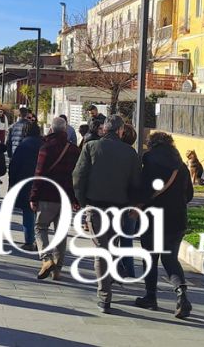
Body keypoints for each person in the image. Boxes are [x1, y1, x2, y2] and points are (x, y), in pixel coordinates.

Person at [73, 112, 142, 312]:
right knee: (111, 248)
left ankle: (104, 296)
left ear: (104, 129)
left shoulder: (90, 147)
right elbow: (136, 183)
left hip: (95, 207)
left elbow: (78, 177)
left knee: (101, 251)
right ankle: (108, 283)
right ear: (120, 131)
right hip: (118, 209)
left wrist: (83, 201)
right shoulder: (130, 154)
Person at [134, 131, 193, 318]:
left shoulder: (149, 159)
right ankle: (181, 293)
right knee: (170, 258)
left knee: (150, 257)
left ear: (152, 144)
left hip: (153, 217)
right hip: (177, 218)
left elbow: (144, 187)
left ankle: (150, 297)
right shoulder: (181, 165)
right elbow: (189, 194)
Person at [31, 116, 80, 280]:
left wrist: (34, 196)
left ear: (51, 129)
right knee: (61, 233)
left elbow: (39, 174)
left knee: (40, 227)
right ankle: (57, 269)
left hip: (47, 195)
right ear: (65, 130)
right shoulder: (74, 150)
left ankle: (46, 259)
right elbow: (77, 177)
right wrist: (76, 199)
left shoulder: (46, 147)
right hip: (66, 196)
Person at [8, 119, 43, 251]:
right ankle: (40, 240)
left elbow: (14, 166)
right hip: (42, 181)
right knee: (40, 213)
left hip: (25, 181)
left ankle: (29, 240)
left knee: (28, 212)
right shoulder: (43, 144)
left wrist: (12, 184)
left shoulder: (23, 145)